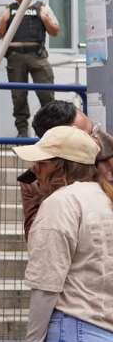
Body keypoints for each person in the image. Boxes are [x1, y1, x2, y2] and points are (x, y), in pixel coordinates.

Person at [0, 125, 113, 342]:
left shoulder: (60, 203)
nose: (34, 169)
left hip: (76, 335)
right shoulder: (105, 197)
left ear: (59, 166)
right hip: (100, 335)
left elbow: (46, 287)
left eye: (41, 163)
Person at [21, 100, 113, 238]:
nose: (97, 139)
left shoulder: (108, 157)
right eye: (88, 135)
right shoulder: (36, 178)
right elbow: (38, 236)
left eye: (95, 129)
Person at [0, 0, 61, 138]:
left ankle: (50, 131)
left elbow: (55, 31)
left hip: (37, 55)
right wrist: (4, 21)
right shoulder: (9, 9)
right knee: (18, 96)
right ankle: (22, 131)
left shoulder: (41, 7)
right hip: (15, 56)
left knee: (46, 94)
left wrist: (45, 18)